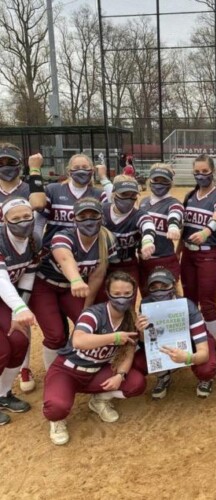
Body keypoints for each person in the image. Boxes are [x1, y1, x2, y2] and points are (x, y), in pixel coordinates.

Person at [42, 271, 146, 446]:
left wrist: (120, 375)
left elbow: (128, 351)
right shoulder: (94, 313)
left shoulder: (130, 318)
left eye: (127, 294)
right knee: (56, 409)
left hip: (96, 372)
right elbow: (79, 340)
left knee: (135, 383)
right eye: (117, 293)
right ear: (107, 293)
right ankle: (57, 421)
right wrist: (113, 337)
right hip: (67, 370)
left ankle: (99, 400)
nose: (122, 298)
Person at [30, 198, 117, 369]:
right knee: (56, 335)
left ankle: (81, 367)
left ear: (102, 217)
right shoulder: (64, 235)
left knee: (89, 326)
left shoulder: (107, 239)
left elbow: (96, 277)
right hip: (45, 286)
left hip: (71, 290)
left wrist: (86, 308)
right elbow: (64, 257)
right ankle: (53, 372)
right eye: (83, 215)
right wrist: (76, 279)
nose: (88, 219)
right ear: (74, 218)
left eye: (93, 215)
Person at [0, 146, 46, 393]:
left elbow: (38, 204)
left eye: (11, 161)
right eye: (1, 161)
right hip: (2, 260)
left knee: (22, 324)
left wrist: (35, 170)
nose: (5, 166)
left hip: (23, 259)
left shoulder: (28, 186)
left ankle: (22, 369)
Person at [134, 267, 216, 398]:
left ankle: (206, 379)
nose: (159, 291)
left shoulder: (187, 305)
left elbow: (203, 352)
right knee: (139, 362)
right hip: (165, 343)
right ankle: (163, 375)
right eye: (154, 287)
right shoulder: (146, 304)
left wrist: (188, 358)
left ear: (173, 285)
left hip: (193, 342)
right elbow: (146, 341)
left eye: (164, 285)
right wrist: (140, 331)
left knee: (206, 368)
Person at [0, 198, 39, 425]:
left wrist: (18, 311)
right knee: (2, 349)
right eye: (15, 219)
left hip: (7, 298)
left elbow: (28, 274)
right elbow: (2, 278)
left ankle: (3, 394)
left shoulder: (34, 239)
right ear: (5, 220)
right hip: (5, 293)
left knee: (20, 341)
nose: (23, 222)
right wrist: (20, 308)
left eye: (27, 216)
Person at [180, 155, 216, 339]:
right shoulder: (189, 196)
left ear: (213, 172)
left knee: (207, 303)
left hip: (209, 255)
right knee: (189, 301)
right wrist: (177, 253)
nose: (201, 176)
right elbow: (184, 228)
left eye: (205, 172)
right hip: (188, 255)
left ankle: (212, 346)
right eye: (197, 172)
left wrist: (206, 232)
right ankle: (193, 342)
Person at [39, 153, 112, 249]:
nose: (81, 170)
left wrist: (103, 177)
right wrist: (37, 245)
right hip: (53, 250)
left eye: (85, 167)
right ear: (69, 171)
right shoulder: (52, 190)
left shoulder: (99, 194)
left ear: (92, 171)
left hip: (86, 253)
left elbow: (113, 203)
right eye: (76, 167)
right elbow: (39, 223)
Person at [100, 175, 156, 296]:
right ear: (114, 194)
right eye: (124, 194)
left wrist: (147, 242)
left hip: (128, 265)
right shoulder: (102, 211)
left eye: (133, 195)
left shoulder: (139, 215)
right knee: (102, 300)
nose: (129, 199)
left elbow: (148, 226)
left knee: (127, 301)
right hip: (104, 266)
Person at [138, 164, 183, 294]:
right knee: (147, 296)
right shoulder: (144, 202)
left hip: (164, 258)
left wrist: (173, 226)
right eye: (156, 180)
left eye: (164, 180)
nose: (159, 184)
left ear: (170, 183)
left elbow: (175, 214)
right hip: (144, 260)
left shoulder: (173, 203)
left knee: (170, 296)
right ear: (150, 180)